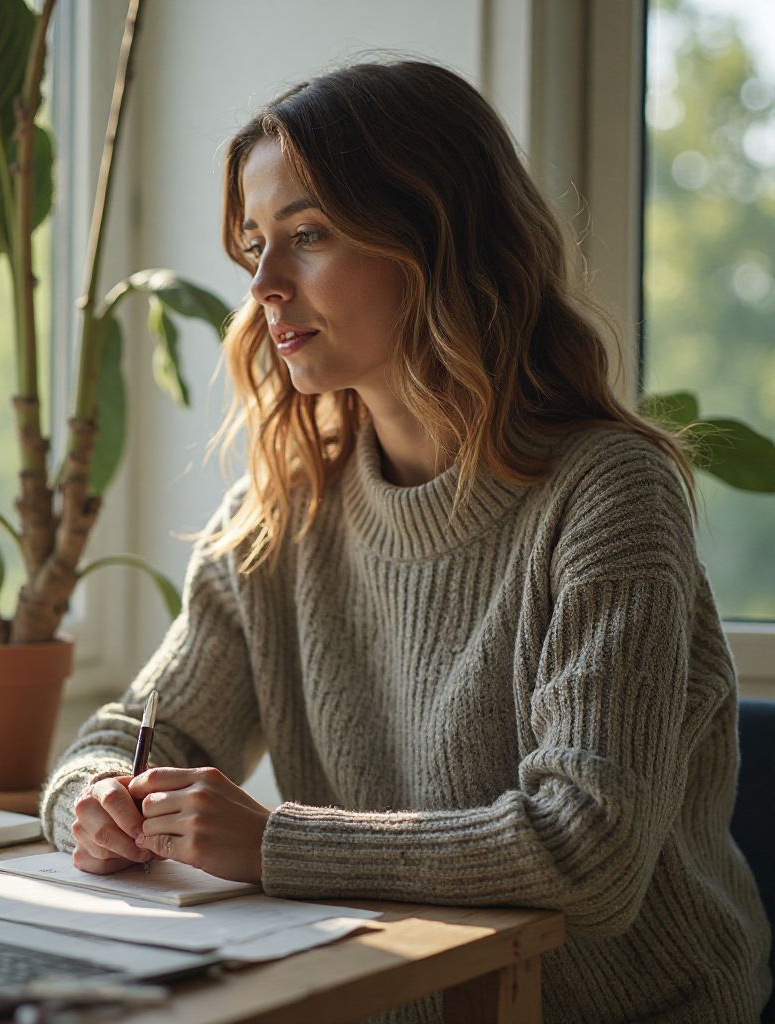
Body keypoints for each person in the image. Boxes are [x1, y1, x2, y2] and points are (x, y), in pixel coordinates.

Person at [40, 61, 771, 1023]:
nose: (261, 284)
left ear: (437, 241)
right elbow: (126, 736)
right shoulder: (279, 515)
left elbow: (588, 853)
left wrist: (273, 844)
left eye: (307, 236)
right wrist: (92, 800)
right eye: (255, 245)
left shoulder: (607, 497)